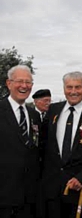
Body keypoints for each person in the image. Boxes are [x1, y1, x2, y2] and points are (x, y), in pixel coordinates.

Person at [41, 71, 82, 218]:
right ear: (64, 88)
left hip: (80, 188)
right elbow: (43, 145)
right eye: (69, 87)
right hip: (52, 189)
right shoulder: (53, 111)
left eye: (77, 87)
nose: (73, 91)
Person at [0, 65, 41, 218]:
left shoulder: (34, 115)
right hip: (3, 196)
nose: (24, 86)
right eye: (20, 81)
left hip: (29, 198)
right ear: (8, 83)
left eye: (28, 82)